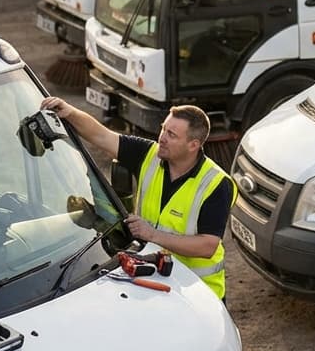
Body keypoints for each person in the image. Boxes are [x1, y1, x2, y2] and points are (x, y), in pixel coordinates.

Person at [40, 97, 236, 300]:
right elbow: (102, 137)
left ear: (193, 145)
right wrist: (70, 112)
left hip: (198, 293)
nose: (162, 138)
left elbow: (207, 246)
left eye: (171, 134)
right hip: (155, 280)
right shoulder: (150, 154)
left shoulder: (216, 184)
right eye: (163, 129)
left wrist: (152, 234)